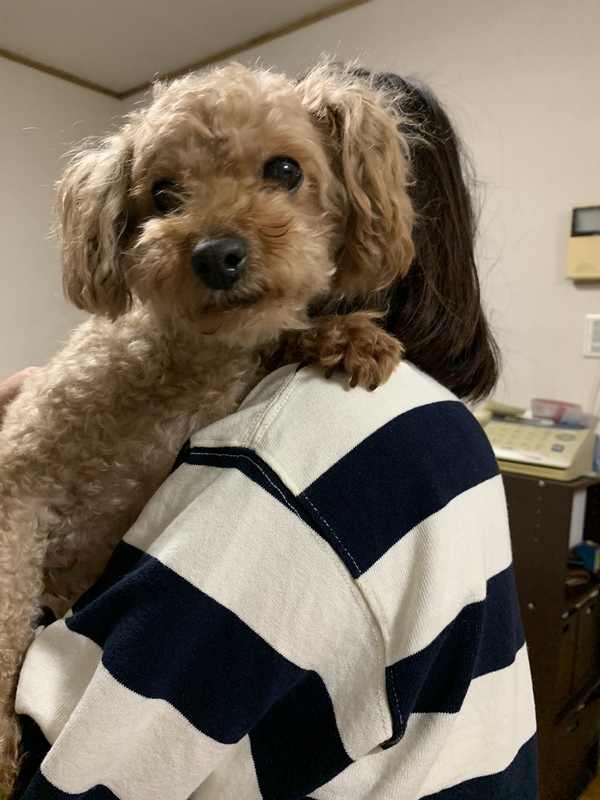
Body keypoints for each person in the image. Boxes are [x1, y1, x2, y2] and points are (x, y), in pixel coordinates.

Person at [5, 73, 537, 799]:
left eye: (282, 174)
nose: (218, 240)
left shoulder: (287, 455)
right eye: (167, 196)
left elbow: (76, 776)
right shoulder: (446, 429)